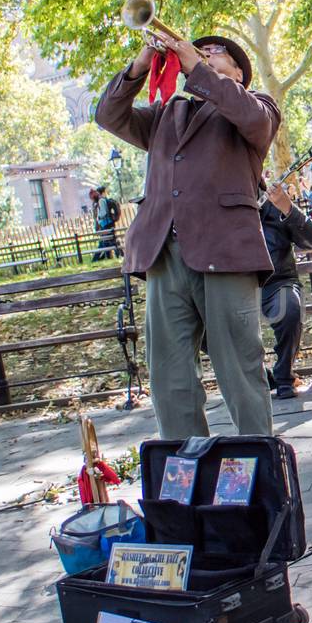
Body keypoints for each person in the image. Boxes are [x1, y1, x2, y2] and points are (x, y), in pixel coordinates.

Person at [94, 31, 279, 440]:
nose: (202, 54)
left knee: (239, 368)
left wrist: (197, 67)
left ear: (238, 71)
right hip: (163, 253)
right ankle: (186, 471)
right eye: (200, 51)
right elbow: (108, 116)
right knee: (169, 374)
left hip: (226, 252)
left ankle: (260, 463)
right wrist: (141, 64)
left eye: (215, 53)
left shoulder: (258, 106)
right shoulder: (167, 114)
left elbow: (251, 118)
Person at [259, 177, 312, 401]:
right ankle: (260, 374)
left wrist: (287, 207)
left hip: (278, 281)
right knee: (202, 321)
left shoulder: (273, 202)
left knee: (290, 308)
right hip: (235, 285)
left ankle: (284, 375)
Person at [90, 185, 122, 260]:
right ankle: (113, 256)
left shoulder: (101, 200)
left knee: (109, 241)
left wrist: (99, 217)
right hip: (107, 223)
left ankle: (120, 255)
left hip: (106, 223)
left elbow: (104, 213)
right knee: (108, 241)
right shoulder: (101, 200)